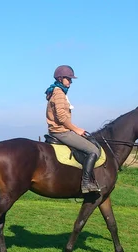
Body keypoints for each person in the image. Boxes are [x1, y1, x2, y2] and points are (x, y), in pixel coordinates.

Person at [45, 65, 102, 193]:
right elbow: (61, 118)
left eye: (71, 79)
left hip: (61, 130)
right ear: (60, 78)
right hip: (61, 131)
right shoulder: (59, 93)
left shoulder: (59, 91)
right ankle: (86, 183)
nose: (70, 81)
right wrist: (76, 129)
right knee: (93, 150)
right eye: (69, 79)